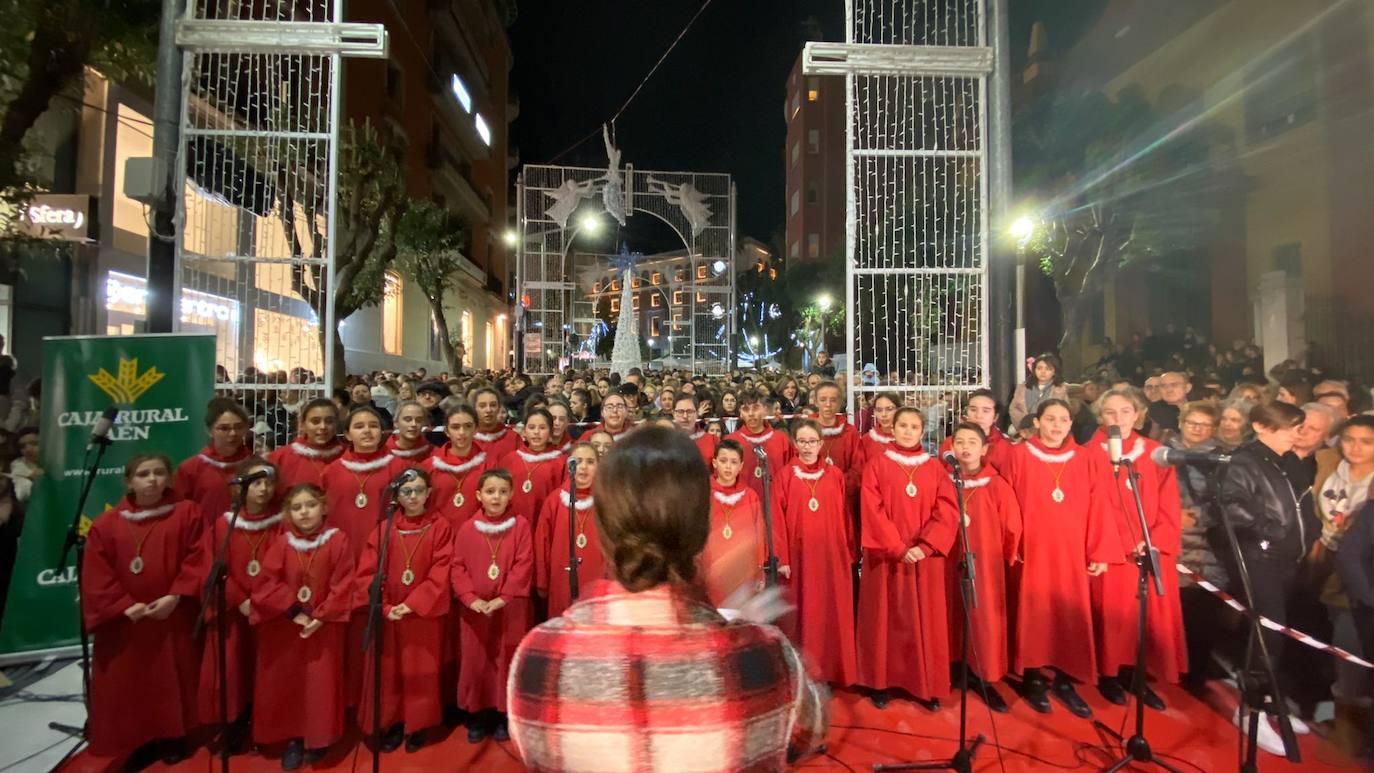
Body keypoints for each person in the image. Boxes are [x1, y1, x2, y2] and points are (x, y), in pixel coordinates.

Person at [507, 427, 829, 771]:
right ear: (702, 529)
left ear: (602, 528)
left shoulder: (538, 656)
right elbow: (809, 730)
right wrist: (751, 620)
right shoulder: (764, 655)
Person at [82, 454, 204, 765]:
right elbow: (98, 573)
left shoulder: (186, 513)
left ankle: (174, 735)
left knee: (172, 678)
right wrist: (123, 605)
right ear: (129, 481)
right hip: (129, 622)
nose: (152, 480)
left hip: (172, 614)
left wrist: (177, 595)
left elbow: (199, 557)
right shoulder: (106, 524)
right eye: (144, 474)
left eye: (160, 473)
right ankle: (138, 739)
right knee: (133, 683)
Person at [1004, 399, 1115, 717]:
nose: (1056, 425)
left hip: (1072, 552)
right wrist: (1013, 543)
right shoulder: (1019, 455)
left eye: (1063, 419)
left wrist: (1099, 550)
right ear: (1037, 422)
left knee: (1070, 613)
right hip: (1033, 551)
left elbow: (1100, 504)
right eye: (1050, 418)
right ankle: (1033, 677)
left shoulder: (1085, 458)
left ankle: (1066, 678)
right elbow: (1008, 502)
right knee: (1035, 612)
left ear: (1071, 424)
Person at [1086, 387, 1186, 710]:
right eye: (1110, 413)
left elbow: (1170, 504)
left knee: (1144, 617)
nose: (1118, 419)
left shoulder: (1156, 453)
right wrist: (1104, 546)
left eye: (1125, 412)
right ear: (1101, 417)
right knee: (1113, 615)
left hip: (1146, 547)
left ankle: (1136, 675)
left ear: (1138, 414)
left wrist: (1153, 540)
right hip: (1110, 551)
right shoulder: (1088, 454)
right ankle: (1110, 675)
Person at [1217, 401, 1309, 753]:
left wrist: (1306, 533)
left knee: (1281, 633)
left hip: (1288, 559)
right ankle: (1249, 711)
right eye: (1288, 428)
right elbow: (1231, 505)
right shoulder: (1244, 461)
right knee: (1267, 635)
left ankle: (1270, 698)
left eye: (1297, 427)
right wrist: (1269, 531)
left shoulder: (1288, 461)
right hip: (1261, 557)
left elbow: (1303, 504)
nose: (1295, 436)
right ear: (1261, 427)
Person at [857, 407, 957, 709]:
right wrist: (897, 547)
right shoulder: (876, 464)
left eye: (914, 426)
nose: (908, 431)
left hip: (923, 559)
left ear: (923, 430)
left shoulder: (936, 467)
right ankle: (880, 682)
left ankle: (924, 684)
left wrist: (925, 546)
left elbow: (948, 510)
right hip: (887, 557)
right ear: (894, 428)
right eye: (903, 425)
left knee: (922, 621)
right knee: (884, 620)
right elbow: (871, 509)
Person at [251, 484, 354, 770]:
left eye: (310, 505)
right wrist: (295, 612)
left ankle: (319, 737)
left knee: (320, 684)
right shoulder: (281, 544)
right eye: (296, 508)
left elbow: (345, 581)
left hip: (324, 626)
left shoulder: (337, 540)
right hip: (290, 627)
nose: (304, 512)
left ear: (323, 507)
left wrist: (322, 615)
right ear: (287, 514)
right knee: (291, 685)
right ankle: (294, 737)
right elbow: (266, 584)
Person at [354, 469, 453, 753]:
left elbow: (441, 569)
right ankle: (393, 721)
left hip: (422, 613)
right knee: (390, 670)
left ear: (429, 493)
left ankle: (418, 724)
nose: (413, 497)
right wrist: (384, 606)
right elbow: (367, 573)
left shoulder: (439, 526)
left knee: (421, 670)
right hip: (389, 613)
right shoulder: (383, 529)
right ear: (396, 496)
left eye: (419, 490)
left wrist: (412, 604)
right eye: (407, 491)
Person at [195, 456, 281, 750]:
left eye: (269, 482)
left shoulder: (283, 522)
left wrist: (264, 600)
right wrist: (239, 598)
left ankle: (268, 724)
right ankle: (233, 723)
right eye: (256, 482)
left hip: (270, 611)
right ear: (240, 487)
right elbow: (210, 565)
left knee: (267, 668)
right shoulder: (225, 525)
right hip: (234, 610)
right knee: (233, 668)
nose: (263, 489)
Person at [452, 469, 533, 743]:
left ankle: (503, 715)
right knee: (477, 663)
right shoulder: (467, 528)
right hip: (474, 611)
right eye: (489, 492)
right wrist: (470, 598)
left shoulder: (520, 525)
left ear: (511, 494)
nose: (496, 497)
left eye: (501, 491)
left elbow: (524, 564)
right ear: (478, 496)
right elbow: (458, 566)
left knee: (504, 661)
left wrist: (503, 597)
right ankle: (477, 716)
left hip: (508, 609)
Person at [946, 423, 1022, 713]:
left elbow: (1011, 526)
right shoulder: (944, 480)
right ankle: (954, 666)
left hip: (986, 562)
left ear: (984, 449)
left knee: (984, 617)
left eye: (972, 442)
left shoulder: (996, 484)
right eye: (959, 441)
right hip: (950, 559)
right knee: (952, 612)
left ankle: (984, 675)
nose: (965, 447)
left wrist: (1006, 555)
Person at [776, 418, 857, 686]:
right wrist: (782, 557)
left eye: (813, 441)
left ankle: (833, 670)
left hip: (832, 557)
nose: (808, 446)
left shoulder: (834, 475)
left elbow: (845, 516)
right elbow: (776, 518)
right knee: (805, 615)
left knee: (832, 613)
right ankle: (806, 672)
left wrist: (849, 550)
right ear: (794, 443)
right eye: (802, 441)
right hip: (800, 559)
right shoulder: (786, 476)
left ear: (821, 443)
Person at [1168, 402, 1230, 691]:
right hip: (1171, 546)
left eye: (1204, 425)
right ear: (1181, 422)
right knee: (1171, 617)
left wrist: (1200, 517)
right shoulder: (1163, 454)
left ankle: (1196, 676)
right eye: (1192, 422)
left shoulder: (1224, 461)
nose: (1197, 429)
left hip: (1210, 552)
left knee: (1203, 618)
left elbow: (1233, 503)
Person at [321, 406, 408, 560]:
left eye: (374, 426)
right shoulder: (332, 471)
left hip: (384, 548)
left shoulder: (398, 467)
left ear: (382, 432)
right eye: (359, 426)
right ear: (347, 434)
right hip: (342, 550)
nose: (367, 431)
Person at [534, 443, 602, 619]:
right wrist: (542, 582)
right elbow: (543, 542)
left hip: (598, 579)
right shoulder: (555, 500)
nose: (583, 467)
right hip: (562, 579)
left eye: (590, 462)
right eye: (577, 461)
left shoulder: (605, 500)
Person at [700, 440, 769, 606]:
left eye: (734, 462)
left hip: (741, 571)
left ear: (741, 466)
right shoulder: (704, 492)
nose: (728, 467)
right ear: (715, 463)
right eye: (723, 461)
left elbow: (758, 535)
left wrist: (759, 570)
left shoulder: (749, 495)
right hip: (712, 568)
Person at [174, 397, 253, 526]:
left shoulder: (255, 464)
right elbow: (181, 513)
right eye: (224, 428)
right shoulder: (191, 468)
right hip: (206, 538)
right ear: (210, 431)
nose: (233, 433)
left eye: (238, 427)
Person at [424, 404, 493, 527]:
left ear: (476, 429)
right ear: (446, 431)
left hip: (475, 532)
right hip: (439, 532)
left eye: (468, 426)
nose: (462, 432)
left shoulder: (489, 464)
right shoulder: (430, 466)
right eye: (455, 427)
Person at [499, 408, 566, 526]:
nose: (536, 432)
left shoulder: (560, 462)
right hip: (513, 524)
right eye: (531, 427)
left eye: (542, 428)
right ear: (524, 431)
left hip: (547, 523)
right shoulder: (510, 460)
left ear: (551, 432)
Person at [726, 390, 792, 499]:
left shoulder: (781, 440)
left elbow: (790, 476)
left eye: (756, 408)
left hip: (776, 503)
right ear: (740, 413)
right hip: (743, 506)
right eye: (746, 409)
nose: (751, 414)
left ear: (765, 410)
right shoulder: (731, 441)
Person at [267, 399, 344, 491]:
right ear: (303, 424)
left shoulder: (347, 455)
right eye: (315, 421)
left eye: (329, 421)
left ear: (337, 424)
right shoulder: (281, 457)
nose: (323, 427)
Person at [938, 389, 1011, 474]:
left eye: (985, 411)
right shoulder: (950, 442)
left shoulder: (1006, 446)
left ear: (995, 417)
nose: (978, 415)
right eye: (973, 410)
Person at [1009, 354, 1069, 428]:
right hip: (1025, 429)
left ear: (1054, 372)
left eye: (1048, 369)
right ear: (1034, 370)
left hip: (1050, 429)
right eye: (1039, 368)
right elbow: (1013, 409)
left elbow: (1065, 411)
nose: (1043, 372)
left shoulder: (1060, 390)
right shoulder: (1022, 388)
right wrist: (1025, 424)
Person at [474, 387, 522, 459]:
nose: (488, 410)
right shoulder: (467, 439)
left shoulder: (513, 438)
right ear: (474, 409)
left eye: (493, 405)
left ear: (499, 407)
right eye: (482, 406)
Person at [672, 393, 717, 464]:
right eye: (680, 412)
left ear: (697, 413)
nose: (685, 416)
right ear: (673, 413)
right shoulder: (665, 442)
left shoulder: (712, 440)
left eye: (690, 411)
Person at [388, 401, 434, 465]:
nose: (414, 424)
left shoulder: (434, 453)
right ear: (396, 423)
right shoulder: (383, 454)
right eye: (408, 419)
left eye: (419, 420)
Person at [860, 392, 899, 459]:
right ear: (874, 412)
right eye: (879, 410)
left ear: (898, 410)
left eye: (889, 409)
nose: (884, 414)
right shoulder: (867, 440)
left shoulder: (907, 437)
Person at [9, 426, 39, 502]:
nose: (28, 449)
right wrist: (32, 477)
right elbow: (22, 495)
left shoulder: (59, 457)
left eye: (34, 443)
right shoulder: (18, 465)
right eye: (22, 446)